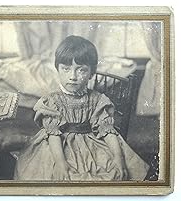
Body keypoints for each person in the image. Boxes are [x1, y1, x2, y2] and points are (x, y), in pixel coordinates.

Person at [14, 35, 149, 181]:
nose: (73, 76)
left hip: (93, 143)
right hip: (59, 144)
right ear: (57, 69)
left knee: (113, 171)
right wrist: (60, 163)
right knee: (56, 173)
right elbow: (53, 134)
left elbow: (108, 132)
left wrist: (118, 157)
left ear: (91, 73)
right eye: (66, 69)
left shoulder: (98, 100)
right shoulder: (52, 101)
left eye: (81, 70)